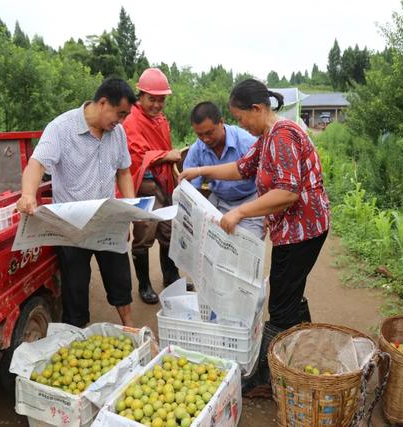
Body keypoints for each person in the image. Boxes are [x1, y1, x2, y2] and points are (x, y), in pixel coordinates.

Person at [179, 79, 331, 397]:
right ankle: (304, 346)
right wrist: (200, 172)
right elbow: (242, 168)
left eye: (241, 117)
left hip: (302, 230)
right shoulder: (266, 137)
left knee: (279, 303)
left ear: (257, 109)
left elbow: (288, 192)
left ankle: (265, 378)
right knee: (289, 291)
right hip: (294, 230)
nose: (240, 124)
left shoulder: (283, 134)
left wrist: (240, 212)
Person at [16, 78, 137, 328]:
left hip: (106, 219)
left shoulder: (118, 133)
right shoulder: (61, 128)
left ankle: (129, 326)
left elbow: (124, 172)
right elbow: (37, 163)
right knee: (75, 287)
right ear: (103, 103)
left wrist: (130, 211)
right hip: (72, 226)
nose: (121, 121)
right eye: (120, 114)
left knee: (120, 279)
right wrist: (28, 194)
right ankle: (77, 333)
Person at [123, 68, 182, 305]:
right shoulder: (132, 119)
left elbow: (161, 148)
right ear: (141, 96)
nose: (157, 105)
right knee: (145, 232)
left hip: (164, 180)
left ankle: (171, 276)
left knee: (169, 230)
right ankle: (144, 284)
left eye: (162, 100)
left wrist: (169, 159)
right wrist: (166, 155)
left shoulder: (161, 120)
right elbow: (137, 153)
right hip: (145, 183)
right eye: (152, 99)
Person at [183, 101, 264, 239]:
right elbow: (192, 190)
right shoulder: (197, 149)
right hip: (219, 200)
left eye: (209, 133)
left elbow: (266, 179)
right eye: (200, 135)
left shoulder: (247, 142)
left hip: (250, 199)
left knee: (247, 243)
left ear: (221, 122)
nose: (205, 139)